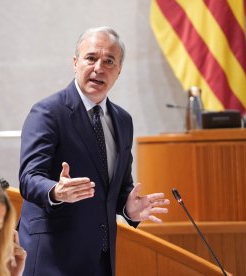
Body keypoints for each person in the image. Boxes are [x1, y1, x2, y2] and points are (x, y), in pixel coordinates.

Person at [18, 26, 170, 276]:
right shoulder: (48, 112)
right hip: (52, 256)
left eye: (109, 61)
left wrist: (128, 207)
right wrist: (56, 191)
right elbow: (28, 178)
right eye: (91, 58)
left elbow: (119, 187)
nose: (99, 67)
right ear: (75, 63)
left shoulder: (122, 120)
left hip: (100, 258)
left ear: (118, 71)